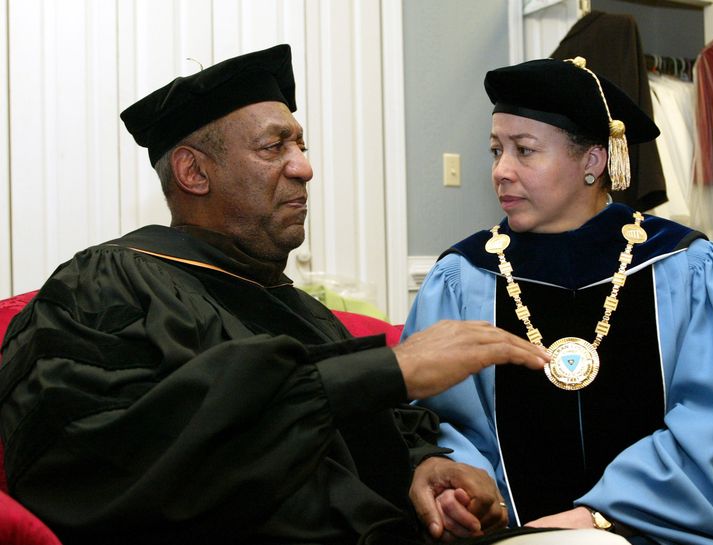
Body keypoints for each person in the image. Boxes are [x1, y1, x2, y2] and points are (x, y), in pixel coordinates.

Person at [0, 44, 562, 545]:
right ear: (194, 172)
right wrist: (389, 368)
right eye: (275, 148)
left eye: (301, 145)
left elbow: (372, 432)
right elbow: (94, 469)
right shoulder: (111, 285)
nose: (306, 167)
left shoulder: (302, 309)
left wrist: (424, 470)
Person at [402, 57, 713, 545]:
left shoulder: (683, 265)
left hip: (656, 533)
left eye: (524, 150)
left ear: (593, 162)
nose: (501, 170)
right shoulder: (462, 277)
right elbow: (437, 420)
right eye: (496, 150)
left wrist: (602, 515)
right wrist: (465, 492)